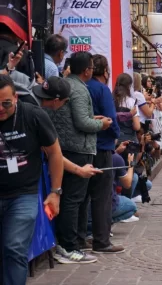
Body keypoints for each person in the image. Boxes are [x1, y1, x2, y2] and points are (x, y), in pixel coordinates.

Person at [49, 52, 111, 264]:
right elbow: (81, 123)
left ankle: (72, 242)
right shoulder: (77, 89)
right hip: (76, 150)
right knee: (73, 200)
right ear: (87, 70)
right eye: (92, 67)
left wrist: (92, 118)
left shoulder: (68, 85)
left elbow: (73, 117)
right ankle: (68, 246)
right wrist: (101, 125)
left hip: (67, 148)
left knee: (73, 199)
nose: (93, 71)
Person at [0, 75, 64, 284]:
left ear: (16, 98)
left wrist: (55, 193)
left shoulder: (33, 115)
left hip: (23, 194)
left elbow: (55, 153)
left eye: (6, 103)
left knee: (14, 247)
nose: (1, 108)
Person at [86, 55, 124, 254]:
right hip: (102, 146)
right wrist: (115, 134)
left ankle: (80, 237)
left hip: (83, 148)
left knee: (83, 196)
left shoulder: (82, 86)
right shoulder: (101, 89)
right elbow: (111, 118)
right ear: (106, 72)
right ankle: (102, 240)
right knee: (102, 196)